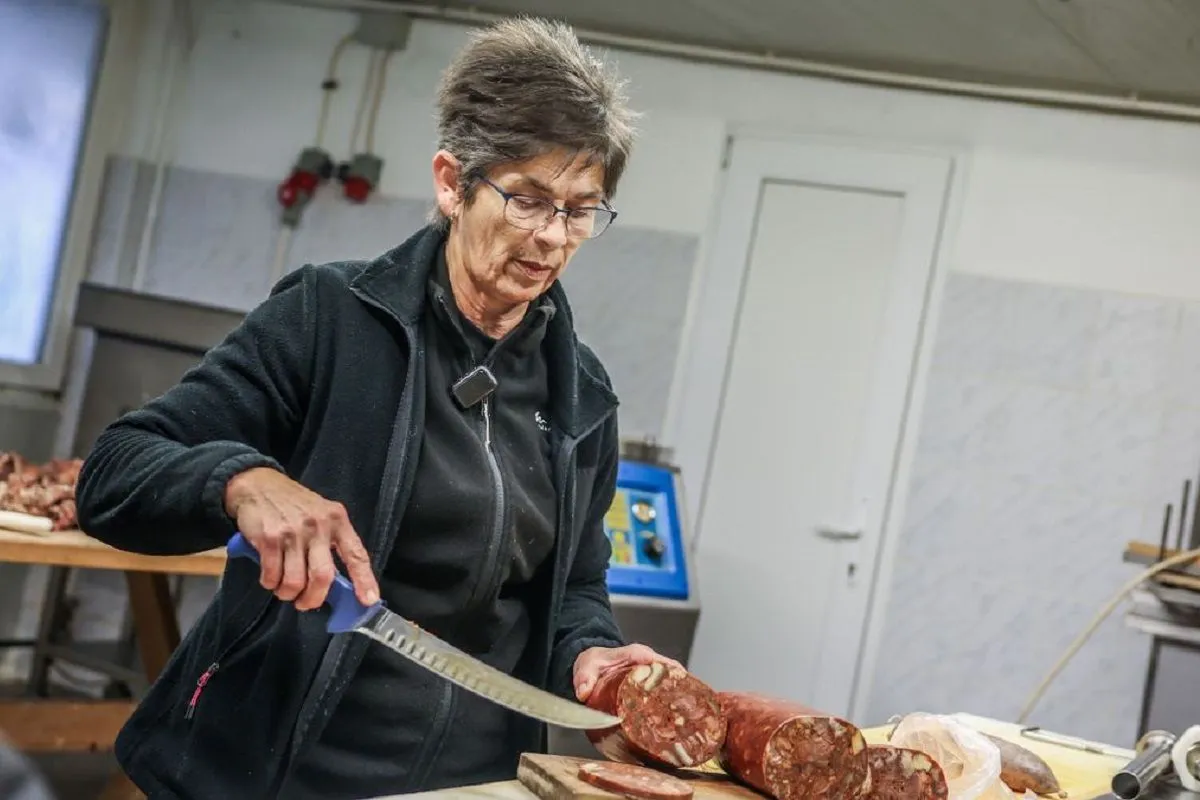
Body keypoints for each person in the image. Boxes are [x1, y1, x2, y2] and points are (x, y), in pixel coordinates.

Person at [75, 16, 677, 800]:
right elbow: (114, 475)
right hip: (276, 771)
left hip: (471, 784)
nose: (553, 238)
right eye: (527, 200)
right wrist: (242, 481)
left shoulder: (584, 397)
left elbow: (575, 590)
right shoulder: (328, 318)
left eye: (579, 209)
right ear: (451, 183)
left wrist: (592, 653)